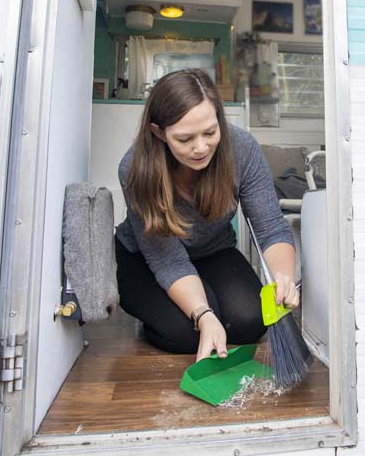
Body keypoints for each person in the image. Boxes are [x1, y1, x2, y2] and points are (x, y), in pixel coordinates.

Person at [114, 68, 299, 361]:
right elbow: (168, 261)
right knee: (189, 331)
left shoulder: (243, 149)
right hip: (145, 260)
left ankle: (201, 304)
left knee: (250, 321)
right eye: (185, 139)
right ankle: (157, 314)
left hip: (212, 250)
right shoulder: (135, 169)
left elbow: (271, 229)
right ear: (158, 132)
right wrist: (203, 314)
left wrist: (283, 277)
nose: (201, 148)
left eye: (210, 132)